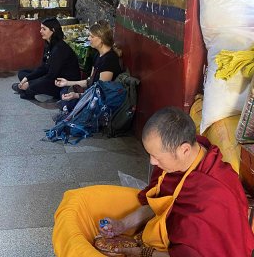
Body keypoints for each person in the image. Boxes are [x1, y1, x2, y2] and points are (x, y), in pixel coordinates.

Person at [52, 107, 254, 256]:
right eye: (150, 154)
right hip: (163, 233)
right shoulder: (182, 161)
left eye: (157, 156)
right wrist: (123, 225)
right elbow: (159, 202)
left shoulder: (212, 197)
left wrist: (139, 252)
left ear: (184, 149)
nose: (151, 162)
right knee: (76, 199)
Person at [55, 20, 122, 112]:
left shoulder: (109, 60)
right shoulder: (98, 54)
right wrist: (67, 82)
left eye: (92, 36)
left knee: (70, 99)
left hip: (100, 101)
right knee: (65, 89)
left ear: (101, 39)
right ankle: (68, 108)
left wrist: (77, 95)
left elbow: (100, 92)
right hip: (91, 91)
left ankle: (69, 109)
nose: (89, 39)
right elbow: (90, 81)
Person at [11, 17, 80, 101]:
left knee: (35, 84)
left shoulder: (59, 48)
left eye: (44, 29)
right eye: (41, 28)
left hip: (61, 82)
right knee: (22, 73)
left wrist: (30, 83)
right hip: (51, 75)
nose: (40, 31)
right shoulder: (49, 44)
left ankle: (26, 90)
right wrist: (27, 78)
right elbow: (44, 67)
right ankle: (26, 88)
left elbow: (51, 75)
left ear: (53, 30)